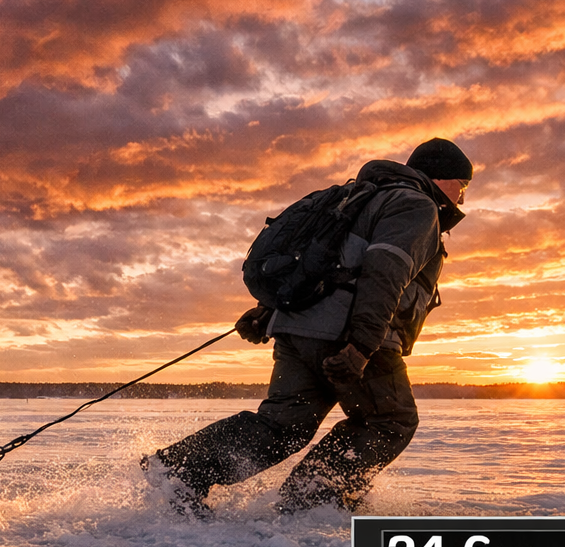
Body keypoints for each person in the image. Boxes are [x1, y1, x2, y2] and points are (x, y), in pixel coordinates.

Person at [144, 138, 473, 515]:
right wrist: (363, 346)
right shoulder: (416, 205)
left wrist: (269, 311)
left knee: (283, 424)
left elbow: (324, 263)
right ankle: (311, 501)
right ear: (441, 177)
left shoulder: (358, 196)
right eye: (461, 186)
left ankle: (179, 471)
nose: (461, 199)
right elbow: (385, 274)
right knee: (391, 420)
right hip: (350, 336)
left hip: (299, 332)